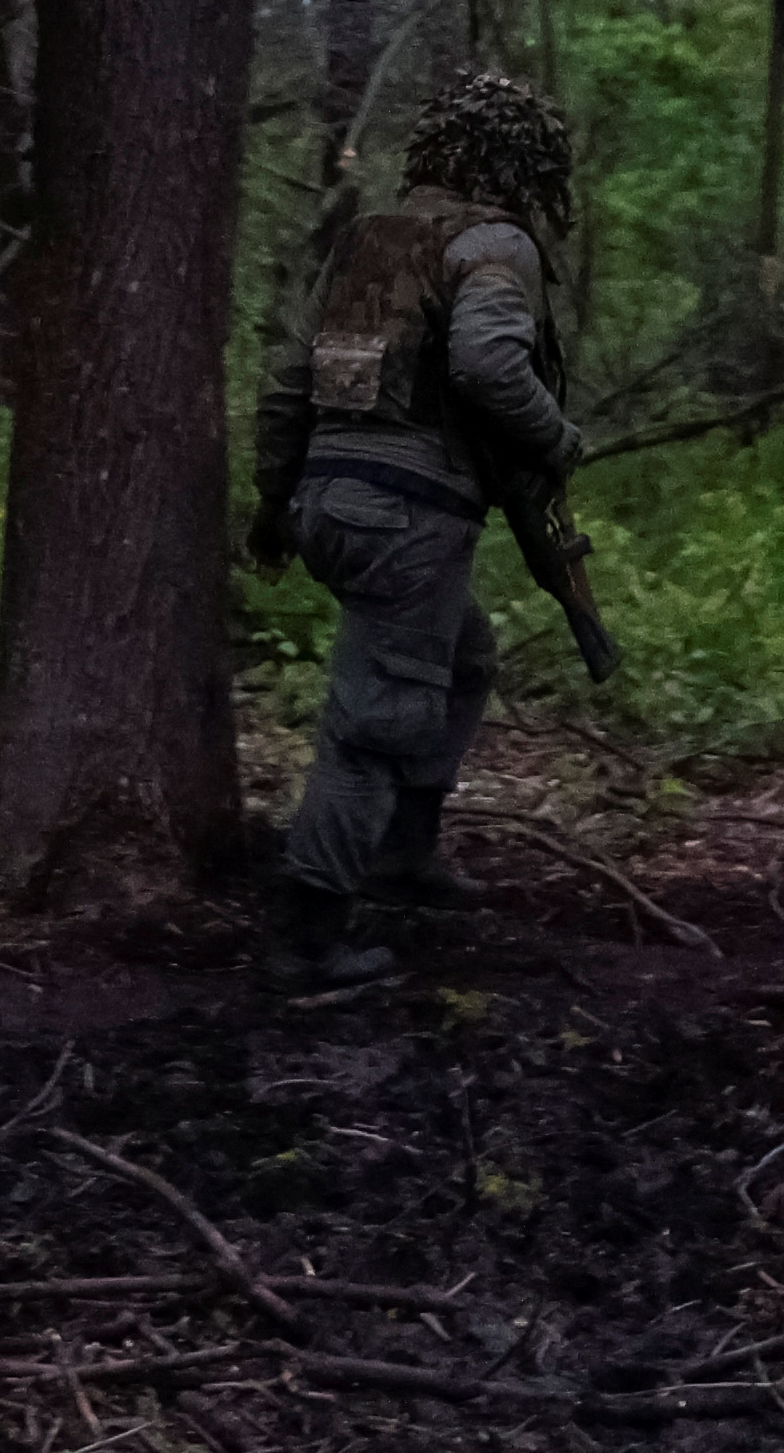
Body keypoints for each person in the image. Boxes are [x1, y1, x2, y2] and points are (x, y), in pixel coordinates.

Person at [248, 68, 587, 993]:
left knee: (464, 659)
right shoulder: (492, 244)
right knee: (373, 724)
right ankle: (308, 935)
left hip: (328, 499)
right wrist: (559, 439)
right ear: (523, 163)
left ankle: (404, 853)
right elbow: (487, 366)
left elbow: (289, 379)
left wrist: (274, 504)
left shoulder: (371, 239)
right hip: (408, 513)